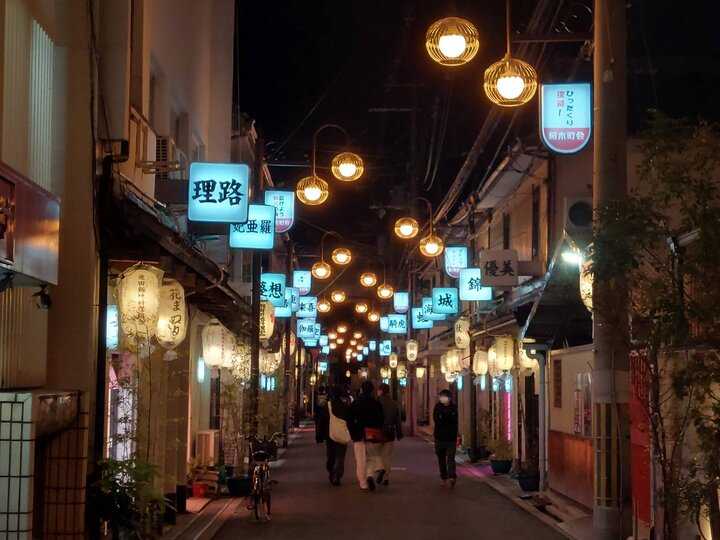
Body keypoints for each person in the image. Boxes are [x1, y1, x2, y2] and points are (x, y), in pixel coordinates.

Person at [348, 380, 384, 491]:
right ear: (372, 390)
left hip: (358, 433)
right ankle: (370, 475)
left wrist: (352, 431)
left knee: (360, 459)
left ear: (362, 389)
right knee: (371, 457)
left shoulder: (356, 403)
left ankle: (363, 483)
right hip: (372, 433)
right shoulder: (376, 403)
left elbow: (349, 419)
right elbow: (381, 419)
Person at [375, 383, 402, 486]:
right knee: (387, 455)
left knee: (376, 454)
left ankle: (380, 469)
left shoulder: (376, 402)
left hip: (377, 431)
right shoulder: (394, 403)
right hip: (390, 431)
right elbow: (397, 420)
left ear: (381, 391)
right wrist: (399, 433)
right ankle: (386, 477)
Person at [326, 385, 352, 486]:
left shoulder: (328, 405)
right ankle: (337, 474)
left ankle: (332, 472)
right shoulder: (345, 406)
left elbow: (323, 421)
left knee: (331, 454)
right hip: (342, 433)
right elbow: (349, 419)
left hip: (330, 434)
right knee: (340, 456)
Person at [433, 389, 458, 487]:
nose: (442, 398)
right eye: (441, 396)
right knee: (441, 458)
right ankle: (444, 477)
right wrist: (444, 418)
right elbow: (436, 420)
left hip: (451, 437)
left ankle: (452, 476)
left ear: (449, 398)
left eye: (444, 396)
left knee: (451, 458)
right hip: (439, 437)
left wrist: (443, 417)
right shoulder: (438, 407)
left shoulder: (453, 407)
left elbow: (454, 420)